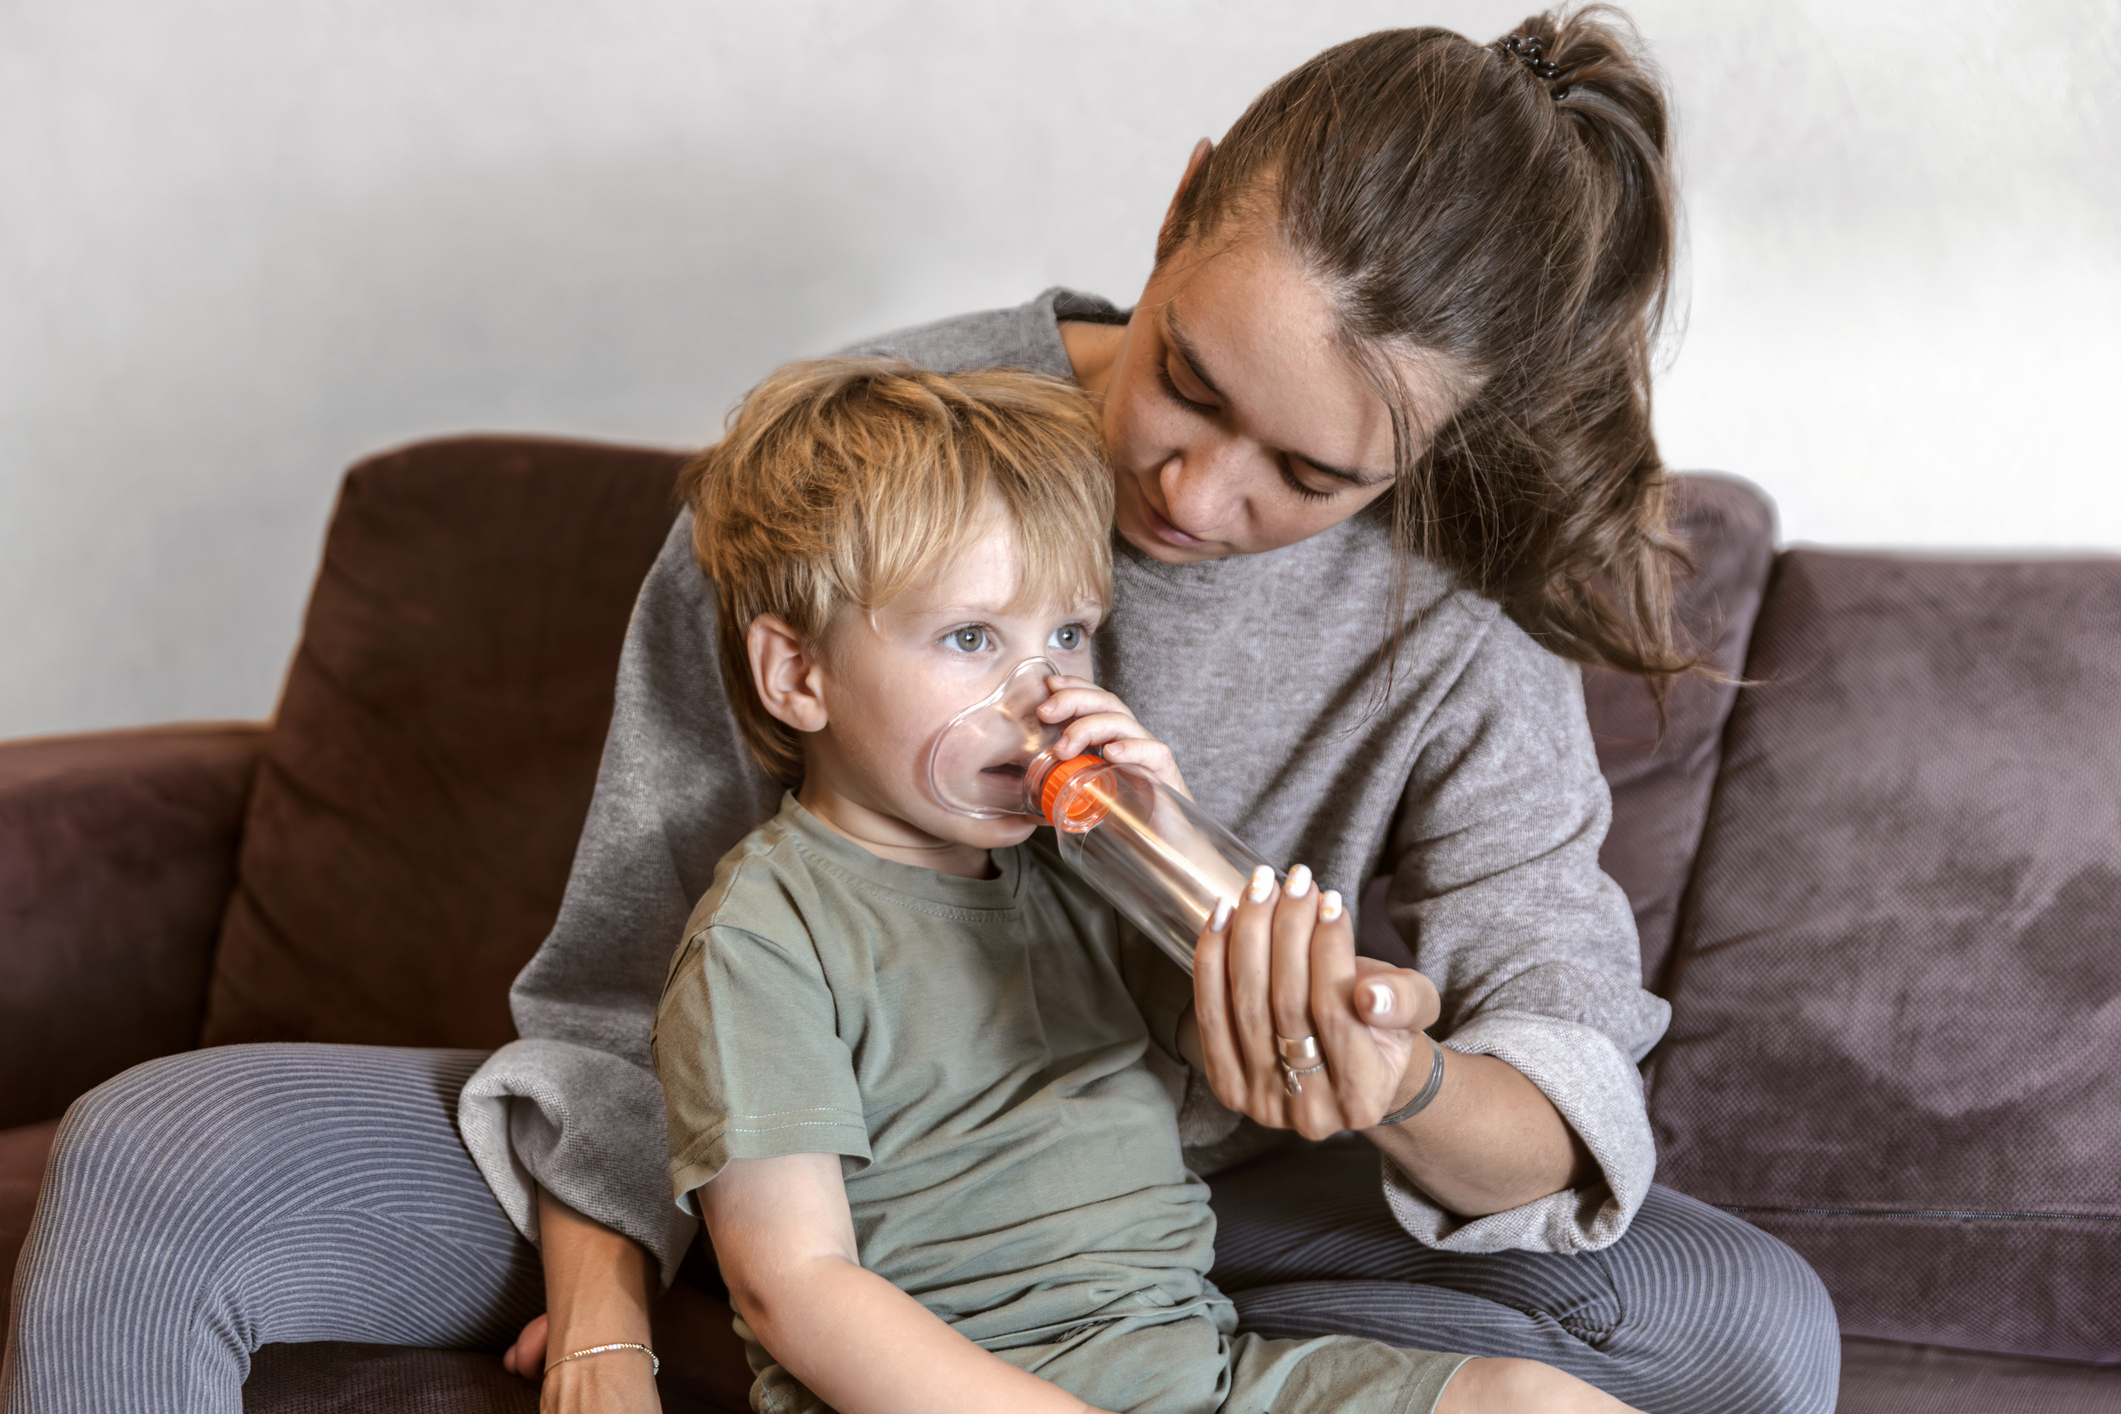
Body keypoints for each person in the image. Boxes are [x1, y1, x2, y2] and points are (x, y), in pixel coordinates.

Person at [4, 10, 1839, 1414]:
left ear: (1430, 450)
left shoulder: (1462, 620)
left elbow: (1567, 1062)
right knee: (160, 1152)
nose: (1195, 499)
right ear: (1181, 197)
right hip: (765, 1146)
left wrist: (1400, 1080)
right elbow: (622, 968)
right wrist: (618, 1312)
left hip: (1160, 1195)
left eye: (1309, 472)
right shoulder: (869, 448)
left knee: (1746, 1322)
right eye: (1188, 383)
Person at [652, 354, 1641, 1414]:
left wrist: (1166, 836)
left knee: (1532, 1400)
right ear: (798, 674)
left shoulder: (1084, 873)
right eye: (972, 637)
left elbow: (1265, 1035)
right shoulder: (769, 933)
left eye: (1068, 635)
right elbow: (795, 1285)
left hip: (1191, 1376)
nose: (1041, 693)